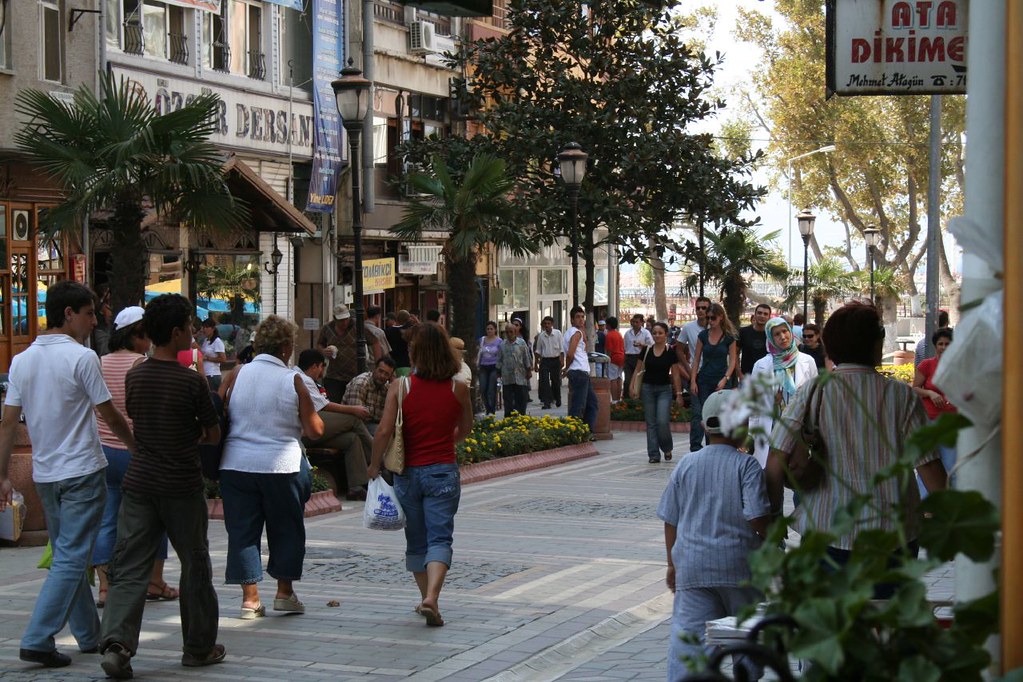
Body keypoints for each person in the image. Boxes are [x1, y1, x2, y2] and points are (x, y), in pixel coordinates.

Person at [766, 303, 946, 598]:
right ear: (876, 344)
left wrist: (774, 519)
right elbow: (932, 473)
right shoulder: (902, 397)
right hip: (893, 538)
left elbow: (775, 464)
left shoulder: (812, 391)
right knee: (886, 627)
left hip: (825, 534)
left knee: (836, 631)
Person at [0, 281, 134, 669]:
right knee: (73, 557)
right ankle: (38, 637)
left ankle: (89, 634)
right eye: (90, 313)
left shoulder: (23, 360)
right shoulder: (82, 357)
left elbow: (8, 422)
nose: (95, 321)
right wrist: (134, 447)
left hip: (46, 473)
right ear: (68, 314)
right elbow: (108, 413)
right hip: (82, 470)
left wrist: (4, 473)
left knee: (67, 554)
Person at [98, 294, 225, 679]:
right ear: (175, 333)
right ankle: (199, 646)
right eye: (189, 327)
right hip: (181, 483)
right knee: (195, 563)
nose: (193, 333)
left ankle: (117, 644)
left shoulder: (137, 374)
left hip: (140, 481)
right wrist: (193, 434)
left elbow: (137, 417)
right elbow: (212, 433)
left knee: (130, 564)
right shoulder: (191, 382)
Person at [658, 390, 770, 682]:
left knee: (690, 644)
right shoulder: (746, 465)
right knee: (746, 638)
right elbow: (757, 516)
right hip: (740, 568)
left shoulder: (686, 464)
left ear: (705, 427)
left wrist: (672, 564)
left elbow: (670, 519)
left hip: (693, 568)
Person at [367, 323, 474, 628]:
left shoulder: (401, 387)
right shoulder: (459, 388)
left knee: (416, 540)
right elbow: (465, 429)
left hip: (408, 474)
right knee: (440, 537)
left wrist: (374, 466)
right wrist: (445, 441)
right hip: (442, 471)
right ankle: (432, 598)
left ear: (414, 352)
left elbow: (384, 431)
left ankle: (427, 598)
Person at [220, 316, 324, 620]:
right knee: (286, 529)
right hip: (282, 466)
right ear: (286, 346)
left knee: (242, 531)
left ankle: (250, 601)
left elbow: (218, 406)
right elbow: (315, 429)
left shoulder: (237, 373)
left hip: (236, 464)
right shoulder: (294, 379)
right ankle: (284, 592)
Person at [93, 307, 177, 610]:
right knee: (156, 518)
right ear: (137, 334)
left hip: (103, 452)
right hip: (138, 454)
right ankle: (154, 581)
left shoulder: (99, 363)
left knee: (106, 520)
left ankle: (105, 587)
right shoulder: (143, 365)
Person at [297, 349, 375, 501]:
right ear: (314, 366)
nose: (322, 371)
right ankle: (380, 460)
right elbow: (323, 406)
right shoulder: (301, 378)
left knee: (351, 438)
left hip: (315, 428)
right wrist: (354, 410)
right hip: (305, 430)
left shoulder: (308, 379)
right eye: (321, 367)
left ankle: (356, 487)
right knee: (354, 420)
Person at [749, 317, 818, 468]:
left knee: (800, 478)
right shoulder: (761, 365)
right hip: (771, 430)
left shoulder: (808, 361)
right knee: (772, 478)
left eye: (785, 331)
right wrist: (752, 434)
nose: (782, 337)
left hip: (798, 430)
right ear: (770, 338)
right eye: (776, 334)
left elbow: (815, 398)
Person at [912, 327, 957, 495]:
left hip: (951, 421)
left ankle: (948, 504)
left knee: (951, 464)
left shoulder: (959, 366)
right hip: (929, 420)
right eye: (940, 344)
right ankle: (925, 503)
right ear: (935, 346)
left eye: (947, 344)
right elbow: (915, 388)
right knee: (928, 463)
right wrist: (930, 393)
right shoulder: (927, 365)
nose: (944, 347)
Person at [689, 303, 737, 452]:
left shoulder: (729, 337)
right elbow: (696, 359)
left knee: (720, 414)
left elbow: (733, 361)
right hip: (704, 380)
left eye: (713, 318)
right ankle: (700, 448)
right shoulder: (703, 335)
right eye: (708, 318)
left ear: (721, 317)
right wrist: (693, 381)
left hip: (721, 381)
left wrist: (725, 379)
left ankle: (717, 446)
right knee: (702, 414)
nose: (710, 321)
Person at [635, 322, 682, 463]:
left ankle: (667, 447)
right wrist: (632, 387)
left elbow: (676, 374)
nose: (657, 335)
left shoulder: (670, 352)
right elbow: (638, 370)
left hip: (664, 390)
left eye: (660, 333)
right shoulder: (646, 350)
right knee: (651, 423)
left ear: (666, 334)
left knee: (662, 421)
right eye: (654, 333)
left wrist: (679, 393)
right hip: (647, 388)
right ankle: (654, 454)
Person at [563, 306, 599, 434]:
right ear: (572, 319)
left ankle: (587, 431)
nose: (581, 319)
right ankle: (574, 433)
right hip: (579, 372)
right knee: (579, 405)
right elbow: (570, 354)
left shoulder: (573, 332)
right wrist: (566, 368)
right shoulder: (576, 333)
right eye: (577, 317)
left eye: (582, 317)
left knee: (592, 403)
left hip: (582, 372)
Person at [342, 356, 397, 435]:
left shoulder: (387, 388)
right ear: (374, 369)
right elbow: (356, 418)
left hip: (373, 424)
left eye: (386, 374)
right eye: (380, 371)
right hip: (354, 424)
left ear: (390, 377)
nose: (382, 376)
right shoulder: (361, 383)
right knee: (382, 433)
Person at [316, 304, 359, 401]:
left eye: (346, 319)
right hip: (334, 375)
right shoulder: (327, 328)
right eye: (341, 320)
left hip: (355, 375)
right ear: (335, 319)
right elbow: (319, 343)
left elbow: (374, 341)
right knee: (334, 402)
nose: (344, 322)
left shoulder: (357, 326)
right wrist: (323, 351)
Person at [496, 322, 531, 418]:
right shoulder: (502, 345)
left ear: (515, 332)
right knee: (508, 400)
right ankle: (508, 419)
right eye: (507, 332)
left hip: (520, 375)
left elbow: (526, 357)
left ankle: (521, 417)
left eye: (511, 332)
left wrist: (529, 370)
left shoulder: (521, 343)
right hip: (507, 377)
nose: (509, 334)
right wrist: (498, 373)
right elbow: (499, 360)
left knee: (521, 398)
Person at [533, 316, 565, 409]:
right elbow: (538, 350)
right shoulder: (541, 336)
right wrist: (536, 363)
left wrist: (562, 360)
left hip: (555, 360)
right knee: (545, 382)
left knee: (555, 381)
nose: (547, 325)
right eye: (545, 324)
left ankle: (557, 398)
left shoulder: (558, 333)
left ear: (552, 325)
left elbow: (561, 348)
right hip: (545, 361)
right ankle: (547, 402)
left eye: (548, 323)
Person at [737, 304, 772, 384]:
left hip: (766, 379)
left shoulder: (772, 334)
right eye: (759, 313)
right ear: (755, 315)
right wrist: (739, 374)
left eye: (765, 314)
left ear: (769, 317)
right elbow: (735, 353)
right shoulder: (743, 332)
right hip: (746, 378)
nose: (762, 316)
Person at [623, 313, 654, 399]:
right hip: (629, 358)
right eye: (633, 322)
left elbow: (652, 346)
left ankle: (639, 400)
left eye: (637, 322)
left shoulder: (646, 333)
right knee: (627, 381)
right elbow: (625, 347)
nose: (635, 324)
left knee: (639, 380)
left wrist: (642, 345)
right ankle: (626, 400)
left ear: (641, 323)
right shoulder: (627, 333)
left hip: (640, 358)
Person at [677, 297, 711, 374]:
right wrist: (689, 369)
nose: (700, 310)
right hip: (697, 372)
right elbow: (679, 350)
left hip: (715, 373)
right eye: (698, 308)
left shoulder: (715, 327)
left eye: (704, 308)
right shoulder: (688, 327)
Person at [477, 321, 502, 415]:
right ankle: (487, 407)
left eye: (491, 329)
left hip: (494, 367)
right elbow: (478, 351)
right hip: (483, 366)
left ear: (495, 330)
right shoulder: (482, 340)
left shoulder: (499, 341)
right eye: (488, 329)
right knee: (483, 388)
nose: (489, 331)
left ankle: (492, 409)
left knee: (491, 389)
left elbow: (501, 355)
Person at [604, 317, 626, 402]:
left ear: (608, 325)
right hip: (621, 357)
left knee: (612, 379)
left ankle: (614, 400)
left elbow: (609, 350)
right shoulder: (618, 334)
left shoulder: (609, 335)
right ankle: (618, 398)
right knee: (619, 378)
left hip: (613, 358)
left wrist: (607, 360)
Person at [385, 310, 413, 377]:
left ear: (397, 318)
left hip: (390, 363)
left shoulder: (387, 331)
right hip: (405, 363)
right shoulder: (409, 331)